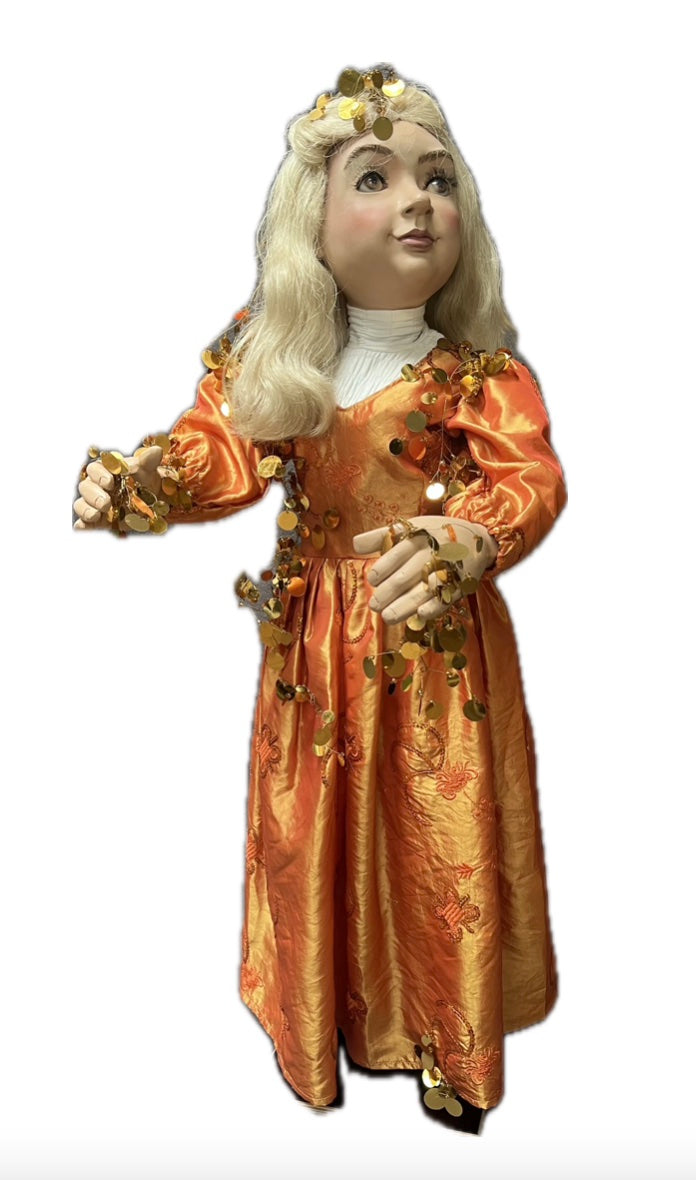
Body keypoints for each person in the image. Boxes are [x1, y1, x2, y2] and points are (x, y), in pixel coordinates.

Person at [73, 65, 567, 1135]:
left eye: (437, 179)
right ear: (312, 219)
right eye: (377, 178)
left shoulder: (476, 373)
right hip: (313, 646)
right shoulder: (281, 356)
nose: (417, 201)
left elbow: (528, 477)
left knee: (435, 831)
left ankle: (447, 1041)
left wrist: (469, 535)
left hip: (434, 648)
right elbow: (220, 451)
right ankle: (332, 1012)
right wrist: (146, 481)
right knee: (318, 831)